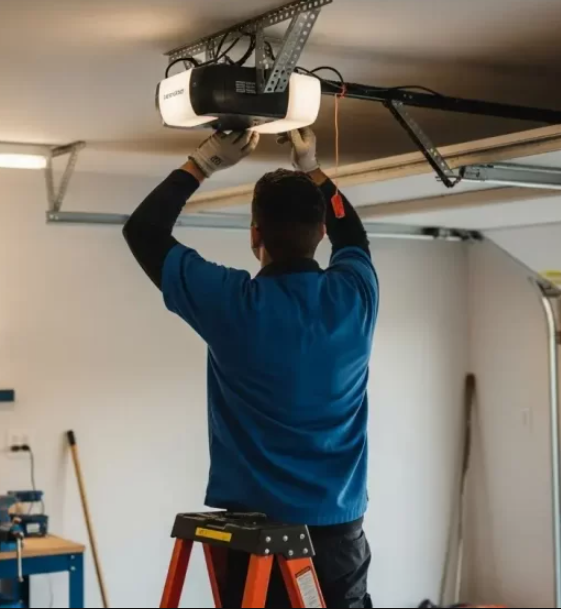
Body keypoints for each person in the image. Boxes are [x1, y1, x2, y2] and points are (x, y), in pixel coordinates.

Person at [123, 127, 377, 609]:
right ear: (321, 232)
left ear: (255, 234)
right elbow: (353, 234)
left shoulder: (233, 303)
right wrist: (313, 170)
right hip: (340, 532)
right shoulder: (355, 296)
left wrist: (203, 162)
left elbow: (143, 231)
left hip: (261, 537)